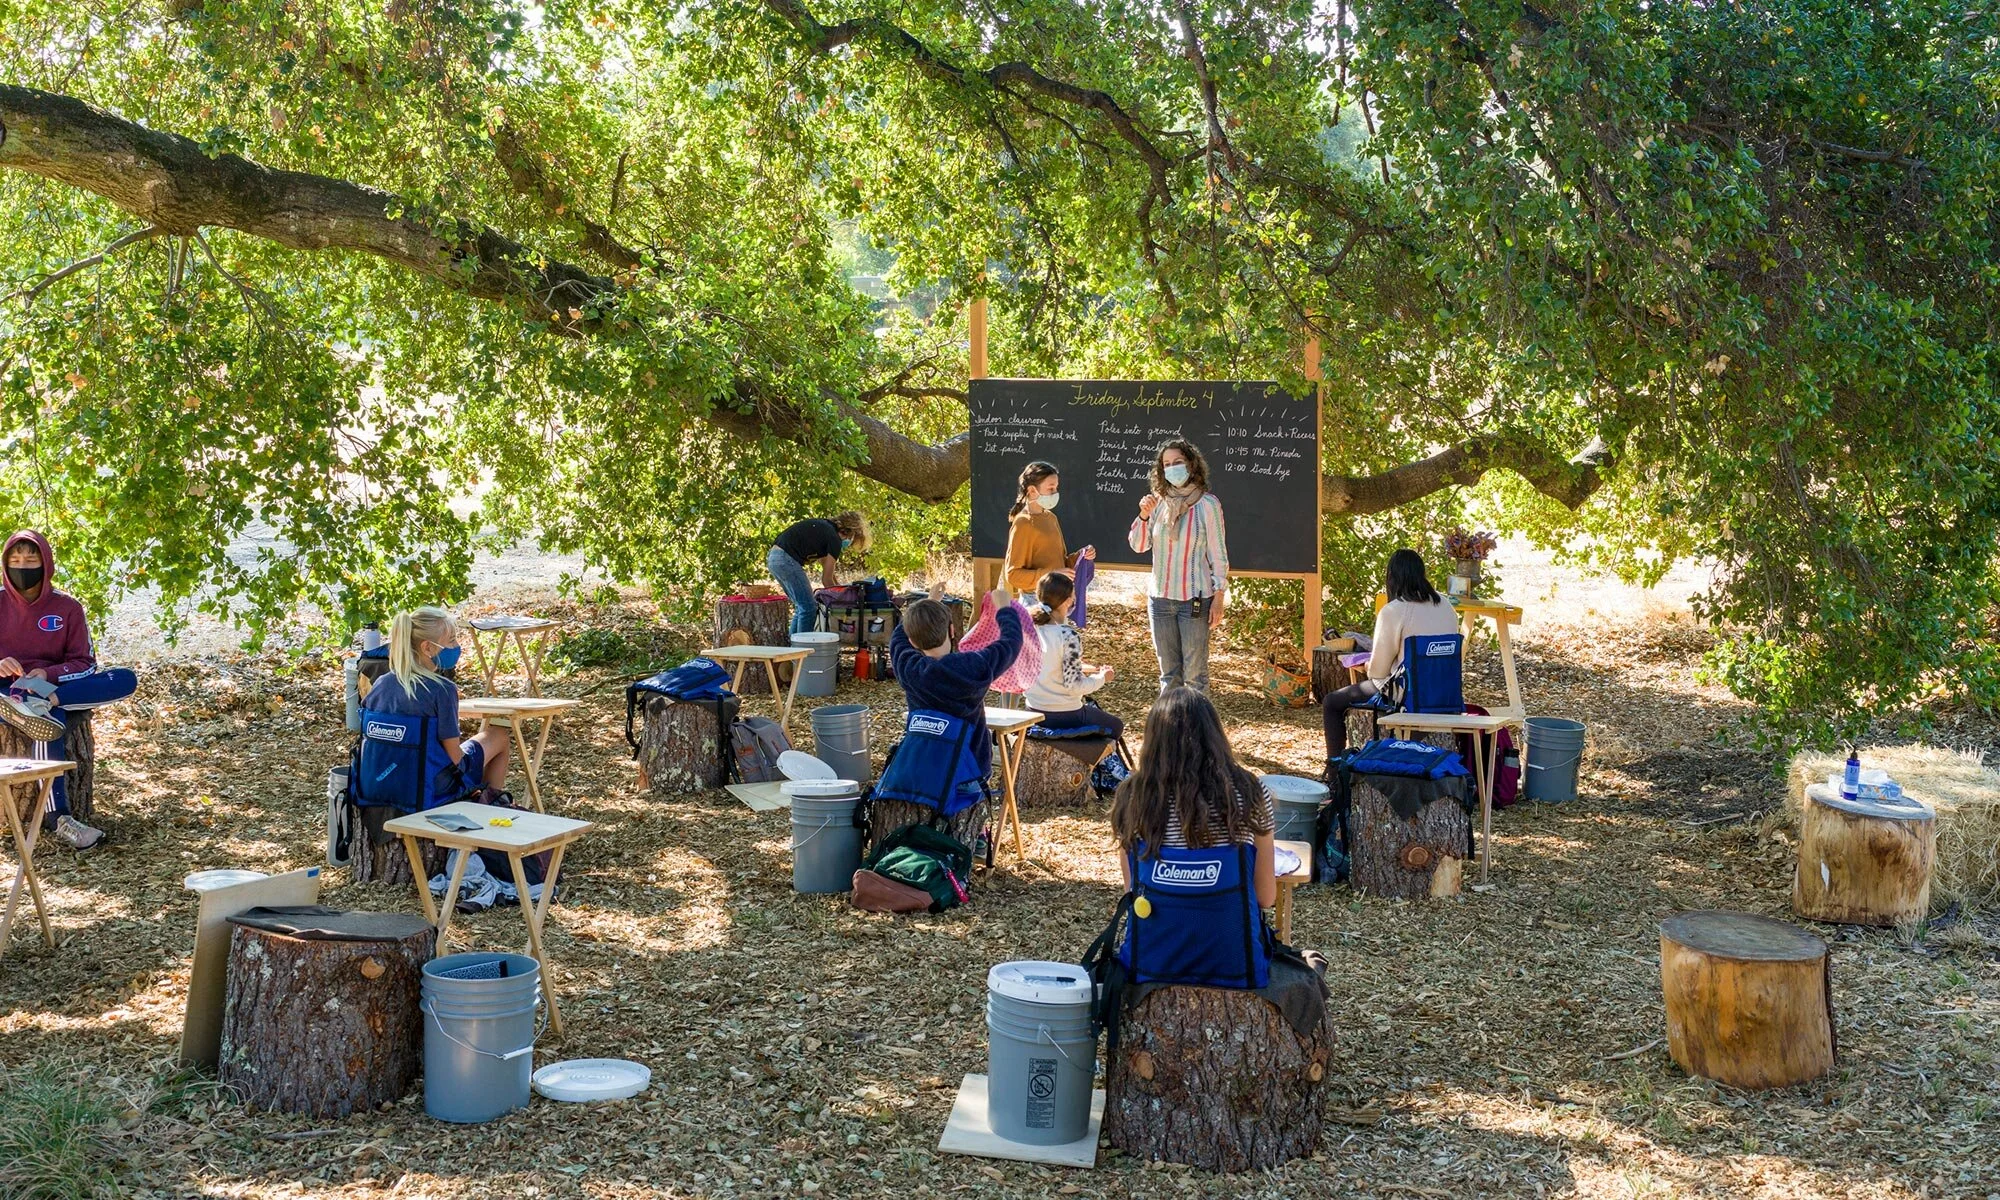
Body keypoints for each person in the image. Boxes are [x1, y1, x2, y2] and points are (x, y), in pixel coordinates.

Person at [1107, 687, 1276, 987]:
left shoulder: (1132, 796)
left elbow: (1134, 889)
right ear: (1215, 736)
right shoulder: (1249, 791)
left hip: (1153, 960)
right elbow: (1265, 897)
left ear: (1153, 741)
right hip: (1233, 963)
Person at [1, 530, 138, 849]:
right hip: (6, 688)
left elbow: (85, 663)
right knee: (51, 723)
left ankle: (42, 703)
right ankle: (59, 818)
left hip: (53, 686)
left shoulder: (68, 608)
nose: (23, 566)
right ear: (5, 564)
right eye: (15, 559)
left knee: (124, 678)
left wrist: (48, 677)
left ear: (46, 562)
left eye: (31, 558)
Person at [357, 607, 511, 809]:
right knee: (499, 736)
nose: (457, 646)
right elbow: (455, 757)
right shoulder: (442, 690)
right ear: (427, 648)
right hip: (430, 788)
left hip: (381, 783)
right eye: (451, 641)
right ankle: (491, 805)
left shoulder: (380, 684)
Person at [1321, 548, 1461, 770]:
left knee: (1331, 703)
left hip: (1406, 696)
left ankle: (1335, 770)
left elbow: (1378, 673)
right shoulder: (1446, 606)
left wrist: (1365, 663)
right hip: (1445, 695)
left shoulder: (1394, 610)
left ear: (1392, 578)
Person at [886, 584, 1024, 791]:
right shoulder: (973, 666)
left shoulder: (909, 668)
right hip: (970, 768)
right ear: (952, 630)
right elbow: (1011, 642)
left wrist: (930, 602)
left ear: (912, 641)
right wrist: (1004, 608)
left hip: (924, 765)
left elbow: (897, 638)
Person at [1127, 440, 1228, 694]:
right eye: (1167, 464)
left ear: (1191, 464)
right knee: (1168, 676)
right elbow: (1138, 545)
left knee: (1195, 676)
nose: (1172, 468)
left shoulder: (1208, 505)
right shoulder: (1157, 503)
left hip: (1195, 600)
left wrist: (1219, 596)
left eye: (1177, 463)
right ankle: (1170, 730)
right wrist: (1143, 515)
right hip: (1160, 599)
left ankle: (1197, 731)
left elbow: (1218, 555)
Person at [1024, 571, 1123, 742]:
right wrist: (1101, 678)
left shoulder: (1029, 627)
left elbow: (1049, 664)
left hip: (1032, 709)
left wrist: (1080, 666)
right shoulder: (1067, 634)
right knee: (1116, 726)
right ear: (1068, 600)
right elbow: (1074, 686)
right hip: (1065, 713)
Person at [766, 512, 871, 635]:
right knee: (809, 608)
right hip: (786, 559)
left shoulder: (825, 528)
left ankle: (792, 646)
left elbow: (828, 572)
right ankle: (802, 649)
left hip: (774, 558)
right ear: (849, 531)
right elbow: (826, 580)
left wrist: (840, 589)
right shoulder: (834, 539)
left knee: (802, 607)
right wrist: (840, 601)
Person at [1002, 460, 1095, 594]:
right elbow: (1013, 575)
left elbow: (1061, 563)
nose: (1055, 493)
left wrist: (1081, 556)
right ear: (1032, 491)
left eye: (1056, 488)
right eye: (1050, 488)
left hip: (1057, 599)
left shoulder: (1051, 518)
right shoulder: (1023, 523)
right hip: (1035, 600)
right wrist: (1051, 574)